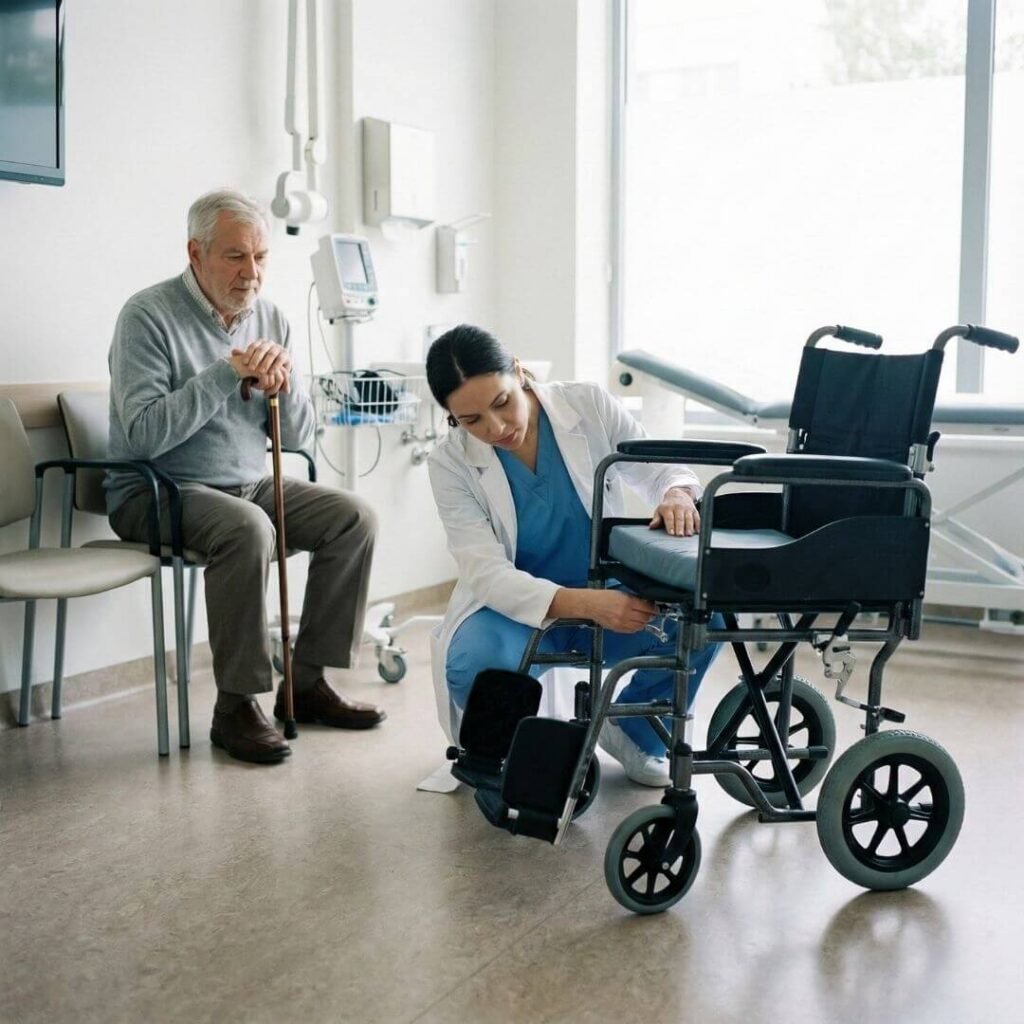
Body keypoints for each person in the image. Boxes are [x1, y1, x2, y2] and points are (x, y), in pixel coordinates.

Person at [106, 188, 385, 765]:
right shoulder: (147, 316)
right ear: (195, 253)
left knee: (354, 516)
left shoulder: (272, 318)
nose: (251, 273)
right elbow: (142, 436)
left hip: (246, 485)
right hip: (156, 491)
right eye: (235, 256)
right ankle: (236, 705)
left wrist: (281, 390)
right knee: (248, 528)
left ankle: (304, 682)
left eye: (260, 258)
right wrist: (220, 376)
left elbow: (300, 436)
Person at [425, 325, 720, 787]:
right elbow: (485, 572)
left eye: (502, 402)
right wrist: (586, 605)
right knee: (474, 664)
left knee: (707, 618)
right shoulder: (449, 464)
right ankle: (518, 750)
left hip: (610, 591)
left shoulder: (586, 405)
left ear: (519, 372)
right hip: (515, 613)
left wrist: (678, 494)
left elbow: (660, 466)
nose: (496, 428)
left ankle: (635, 732)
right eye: (471, 420)